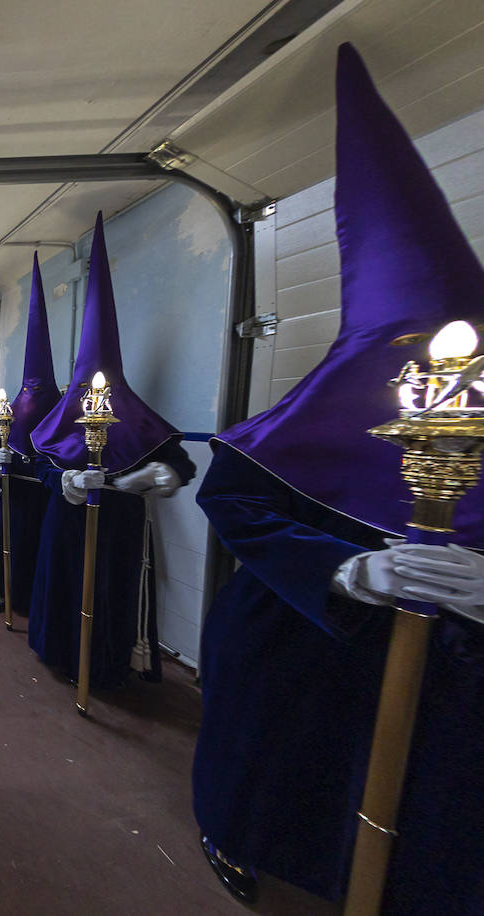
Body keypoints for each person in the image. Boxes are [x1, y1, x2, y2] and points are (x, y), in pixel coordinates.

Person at [191, 45, 484, 911]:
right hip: (307, 633)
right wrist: (351, 568)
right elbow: (233, 498)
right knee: (285, 774)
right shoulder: (308, 421)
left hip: (459, 672)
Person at [27, 213, 196, 686]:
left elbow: (179, 461)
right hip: (67, 523)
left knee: (114, 592)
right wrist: (65, 480)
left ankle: (113, 659)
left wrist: (165, 475)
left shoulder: (140, 418)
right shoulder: (58, 418)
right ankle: (64, 656)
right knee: (67, 590)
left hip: (121, 528)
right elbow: (41, 466)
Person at [0, 255, 59, 614]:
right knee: (9, 542)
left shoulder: (61, 412)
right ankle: (2, 589)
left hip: (46, 498)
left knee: (43, 549)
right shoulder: (13, 410)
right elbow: (0, 457)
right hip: (15, 497)